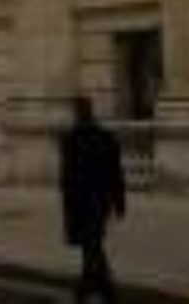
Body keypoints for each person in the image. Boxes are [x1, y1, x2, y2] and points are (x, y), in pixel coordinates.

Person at [59, 96, 126, 302]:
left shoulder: (70, 139)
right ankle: (105, 288)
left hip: (81, 202)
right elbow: (116, 173)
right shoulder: (107, 137)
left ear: (78, 114)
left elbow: (66, 177)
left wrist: (67, 203)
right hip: (100, 201)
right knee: (93, 243)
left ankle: (86, 290)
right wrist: (119, 202)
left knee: (91, 244)